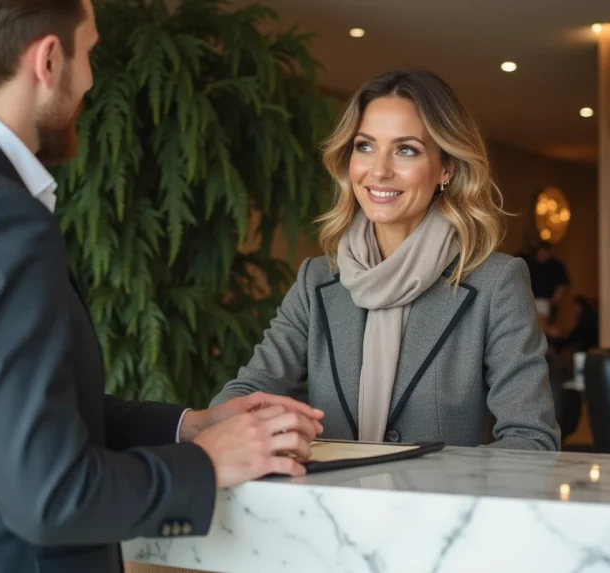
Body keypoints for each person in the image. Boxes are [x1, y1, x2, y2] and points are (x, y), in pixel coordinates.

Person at [0, 1, 323, 572]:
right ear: (49, 60)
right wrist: (205, 461)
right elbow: (52, 496)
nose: (91, 79)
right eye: (89, 52)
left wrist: (188, 424)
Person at [212, 70, 560, 451]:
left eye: (405, 149)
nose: (379, 170)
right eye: (365, 146)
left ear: (447, 168)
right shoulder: (317, 280)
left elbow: (531, 440)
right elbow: (246, 395)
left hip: (439, 509)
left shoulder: (496, 282)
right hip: (327, 505)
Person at [519, 240, 570, 325]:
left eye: (544, 252)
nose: (542, 255)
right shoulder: (528, 263)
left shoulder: (556, 266)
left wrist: (552, 301)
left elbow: (561, 286)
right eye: (540, 252)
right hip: (528, 302)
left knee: (541, 328)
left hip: (546, 303)